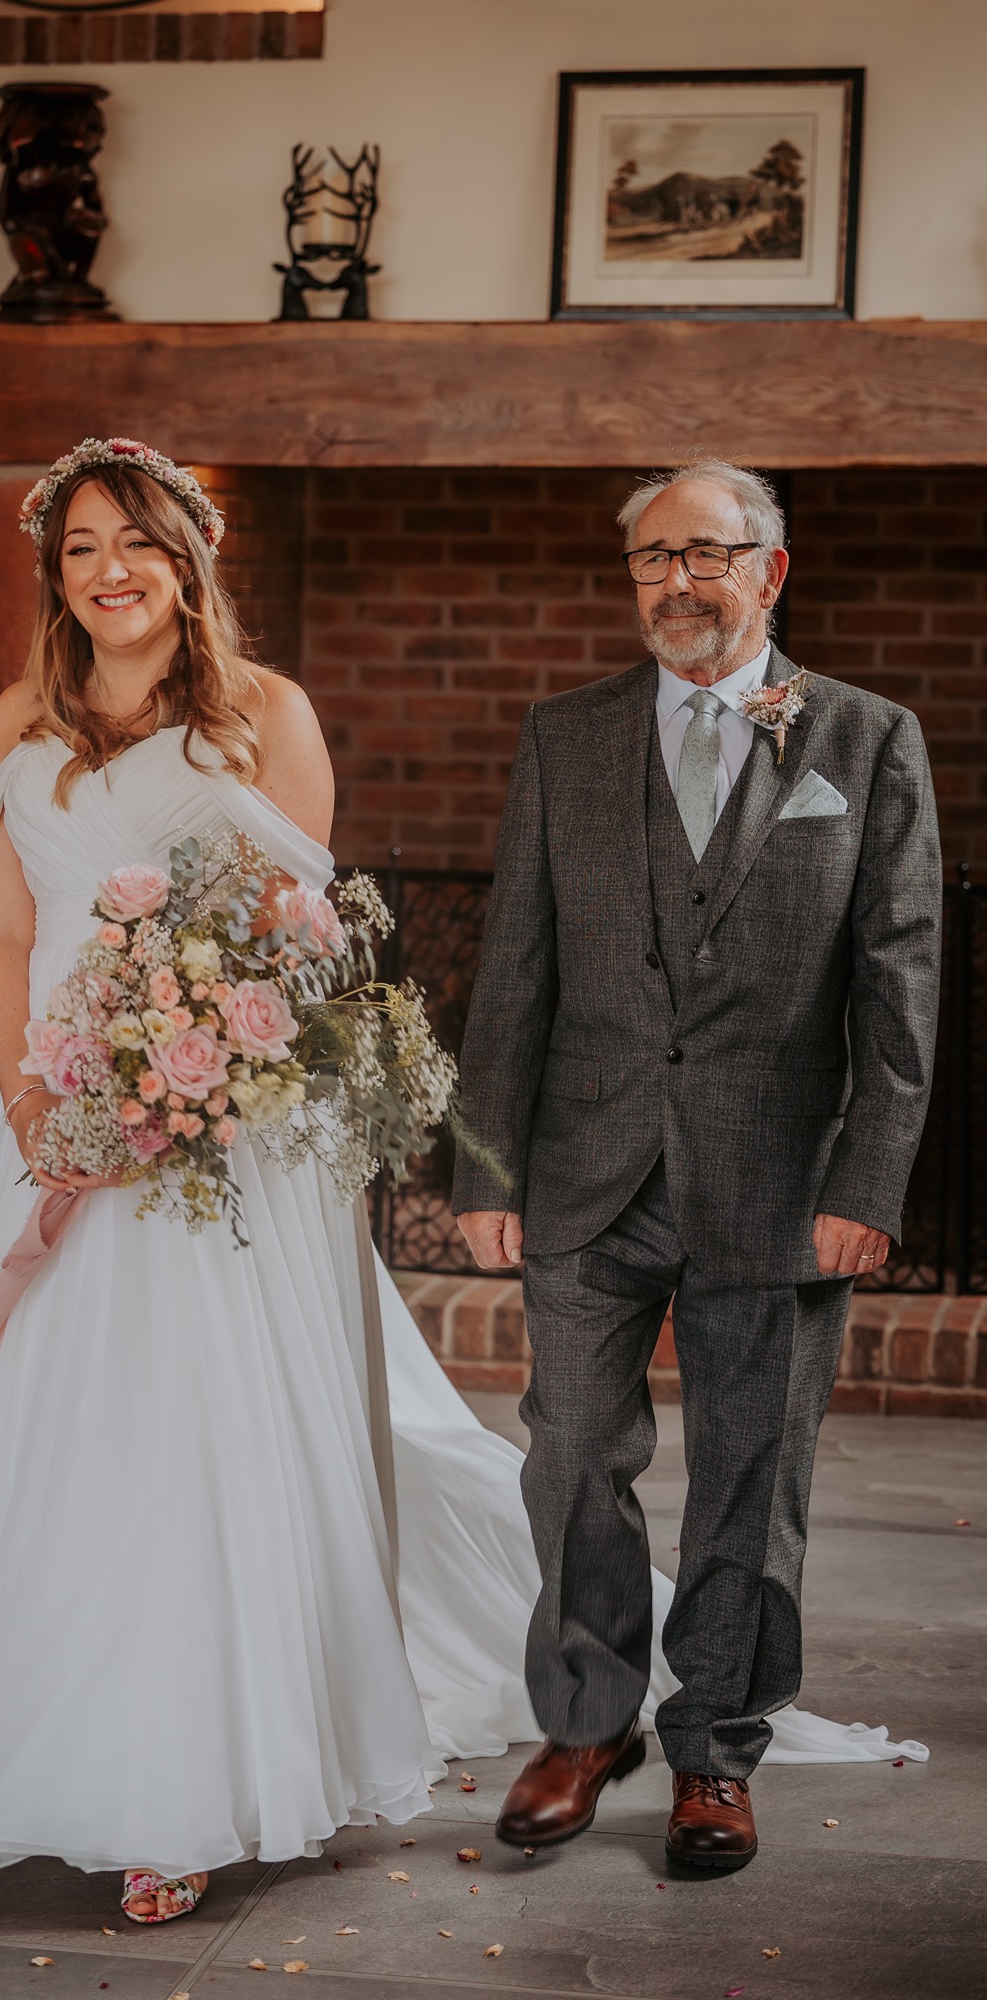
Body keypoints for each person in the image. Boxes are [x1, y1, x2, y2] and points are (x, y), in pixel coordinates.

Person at [0, 444, 926, 1919]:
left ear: (190, 557)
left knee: (694, 1476)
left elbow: (304, 944)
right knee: (496, 1455)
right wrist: (41, 1104)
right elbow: (9, 938)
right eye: (77, 549)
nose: (106, 569)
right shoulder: (32, 716)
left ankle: (668, 1747)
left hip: (242, 1133)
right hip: (75, 1125)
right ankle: (538, 1726)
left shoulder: (281, 714)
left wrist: (182, 1063)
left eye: (132, 540)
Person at [452, 457, 942, 1872]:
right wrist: (483, 1174)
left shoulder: (864, 741)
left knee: (750, 1476)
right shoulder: (563, 736)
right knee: (568, 1463)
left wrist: (868, 1183)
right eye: (651, 558)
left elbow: (897, 988)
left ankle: (716, 1750)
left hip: (778, 1182)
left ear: (766, 571)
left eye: (705, 554)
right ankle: (587, 1722)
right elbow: (512, 975)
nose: (677, 580)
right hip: (582, 1171)